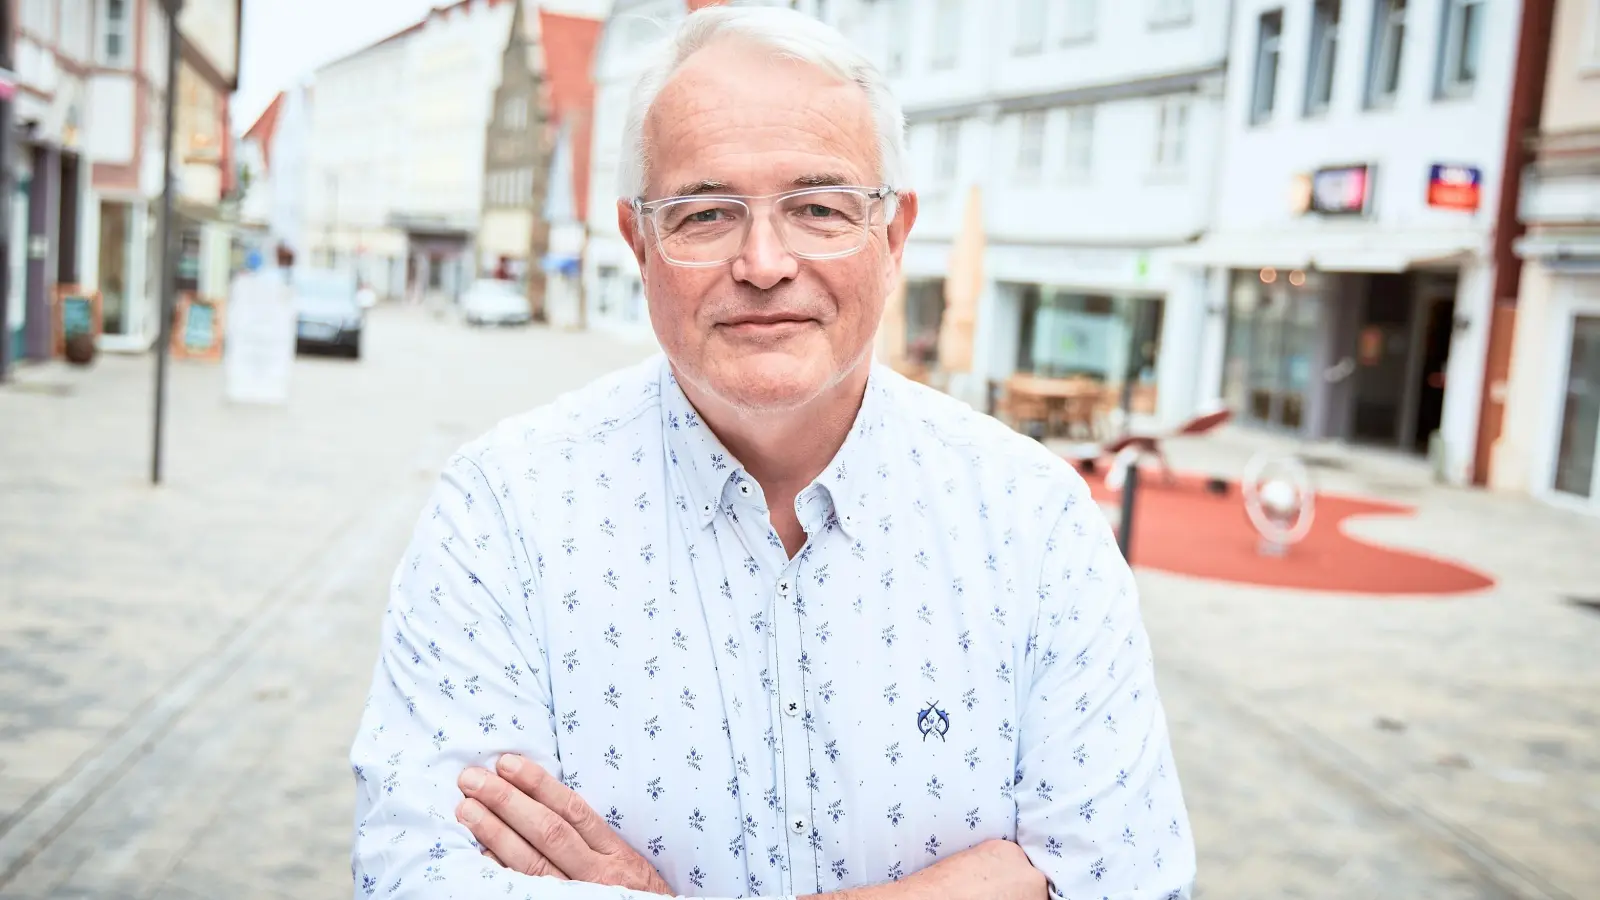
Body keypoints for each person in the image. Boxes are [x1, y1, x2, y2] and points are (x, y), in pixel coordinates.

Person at [349, 7, 1194, 899]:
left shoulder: (1033, 522)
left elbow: (1136, 880)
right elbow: (413, 876)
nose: (763, 261)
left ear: (894, 236)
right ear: (639, 243)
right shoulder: (503, 515)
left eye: (819, 208)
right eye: (706, 213)